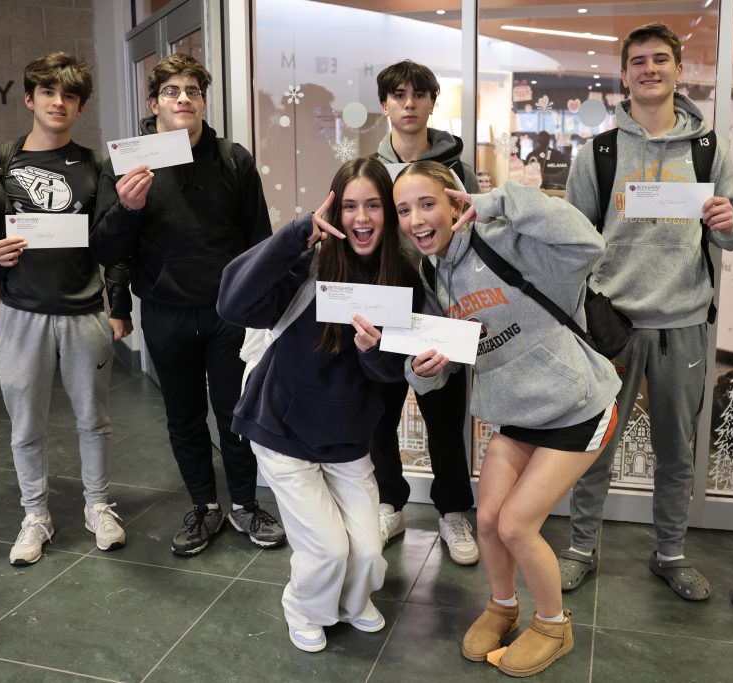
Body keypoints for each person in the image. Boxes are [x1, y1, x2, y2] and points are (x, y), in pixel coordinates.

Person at [394, 160, 622, 676]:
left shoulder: (506, 241)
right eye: (404, 210)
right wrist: (422, 367)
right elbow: (438, 366)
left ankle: (552, 625)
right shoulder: (435, 273)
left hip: (577, 405)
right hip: (515, 413)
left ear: (456, 202)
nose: (416, 219)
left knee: (518, 525)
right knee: (491, 521)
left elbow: (589, 243)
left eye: (427, 203)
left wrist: (503, 200)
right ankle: (502, 606)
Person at [559, 22, 733, 599]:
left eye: (660, 59)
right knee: (595, 445)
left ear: (677, 70)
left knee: (677, 449)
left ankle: (670, 552)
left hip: (684, 322)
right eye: (637, 61)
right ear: (624, 74)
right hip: (612, 324)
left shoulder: (708, 146)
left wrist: (727, 222)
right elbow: (572, 235)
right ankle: (580, 549)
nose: (649, 69)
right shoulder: (601, 150)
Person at [218, 157, 421, 652]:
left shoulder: (402, 278)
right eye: (349, 206)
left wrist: (374, 354)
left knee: (370, 551)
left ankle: (352, 603)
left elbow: (395, 374)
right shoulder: (306, 267)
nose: (361, 217)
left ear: (389, 214)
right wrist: (294, 235)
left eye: (373, 205)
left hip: (348, 436)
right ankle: (305, 606)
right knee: (327, 549)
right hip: (283, 429)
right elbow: (231, 302)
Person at [91, 53, 285, 556]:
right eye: (172, 91)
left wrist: (263, 308)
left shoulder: (234, 159)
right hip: (164, 311)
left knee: (236, 413)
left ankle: (243, 503)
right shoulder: (128, 163)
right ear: (154, 102)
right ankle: (204, 505)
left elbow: (258, 241)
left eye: (193, 91)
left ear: (203, 101)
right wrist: (128, 209)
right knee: (183, 416)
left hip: (229, 313)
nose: (183, 99)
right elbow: (107, 249)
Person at [0, 52, 132, 565]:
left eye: (70, 95)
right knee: (26, 424)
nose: (59, 102)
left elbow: (114, 246)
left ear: (79, 107)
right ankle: (36, 515)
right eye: (49, 92)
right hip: (20, 314)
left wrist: (118, 305)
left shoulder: (96, 165)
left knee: (93, 420)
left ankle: (98, 505)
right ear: (30, 99)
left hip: (84, 315)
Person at [370, 60, 478, 564]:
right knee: (379, 415)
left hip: (442, 315)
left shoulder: (456, 167)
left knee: (444, 418)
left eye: (418, 94)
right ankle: (389, 501)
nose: (408, 104)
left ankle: (453, 510)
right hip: (386, 310)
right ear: (385, 104)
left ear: (433, 101)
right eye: (398, 95)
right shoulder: (371, 171)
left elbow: (476, 238)